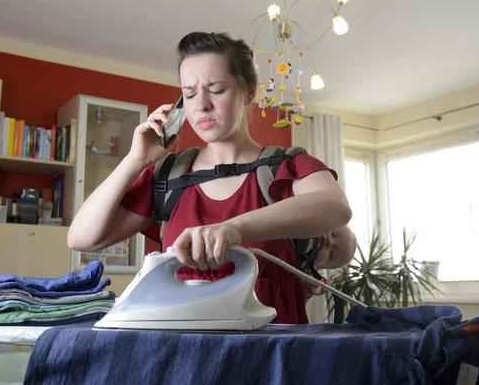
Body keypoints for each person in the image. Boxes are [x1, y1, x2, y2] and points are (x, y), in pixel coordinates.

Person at [67, 32, 352, 324]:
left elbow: (336, 208)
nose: (201, 105)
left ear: (249, 91)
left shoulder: (285, 166)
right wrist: (135, 160)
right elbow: (81, 238)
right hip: (184, 356)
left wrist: (234, 229)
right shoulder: (167, 177)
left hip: (272, 357)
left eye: (215, 89)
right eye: (189, 93)